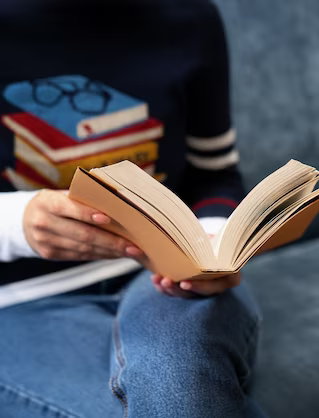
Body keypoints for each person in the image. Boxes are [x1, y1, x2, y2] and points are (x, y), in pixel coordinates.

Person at [0, 0, 265, 417]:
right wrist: (17, 224)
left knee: (177, 374)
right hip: (19, 304)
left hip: (163, 277)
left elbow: (215, 174)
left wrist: (211, 247)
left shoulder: (190, 17)